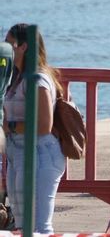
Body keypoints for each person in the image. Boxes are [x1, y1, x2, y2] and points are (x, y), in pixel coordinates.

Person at [3, 24, 66, 231]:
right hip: (17, 153)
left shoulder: (38, 79)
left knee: (39, 227)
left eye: (9, 43)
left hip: (40, 154)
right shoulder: (15, 77)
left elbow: (44, 125)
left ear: (24, 47)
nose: (4, 48)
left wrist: (10, 126)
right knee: (23, 226)